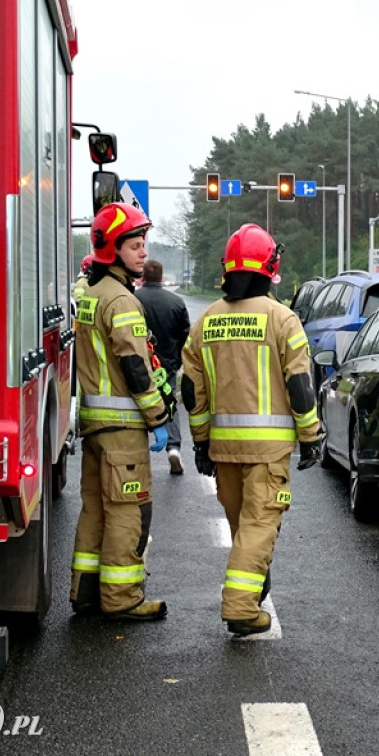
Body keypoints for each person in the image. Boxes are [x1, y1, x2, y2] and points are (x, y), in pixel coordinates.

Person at [181, 223, 322, 637]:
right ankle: (241, 608)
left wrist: (201, 444)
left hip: (223, 449)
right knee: (260, 526)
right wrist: (310, 436)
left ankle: (254, 585)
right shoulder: (283, 320)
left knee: (244, 528)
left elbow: (193, 391)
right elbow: (300, 386)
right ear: (270, 268)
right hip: (267, 451)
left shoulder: (206, 321)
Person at [70, 202, 171, 622]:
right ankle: (122, 597)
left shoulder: (91, 297)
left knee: (95, 510)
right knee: (129, 512)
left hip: (95, 426)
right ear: (112, 250)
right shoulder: (123, 302)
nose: (143, 253)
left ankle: (86, 591)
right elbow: (135, 367)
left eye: (143, 244)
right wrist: (159, 417)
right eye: (134, 245)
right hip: (123, 431)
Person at [136, 259, 191, 475]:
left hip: (139, 364)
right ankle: (174, 448)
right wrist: (178, 361)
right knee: (170, 403)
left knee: (139, 404)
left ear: (143, 277)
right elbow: (186, 335)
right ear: (161, 278)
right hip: (167, 365)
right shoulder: (175, 302)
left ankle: (138, 453)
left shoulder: (132, 299)